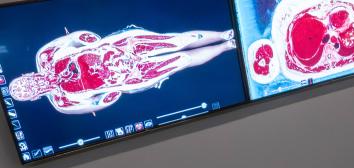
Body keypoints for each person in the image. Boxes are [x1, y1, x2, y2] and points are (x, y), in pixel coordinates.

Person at [10, 27, 237, 114]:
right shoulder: (63, 102)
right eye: (27, 91)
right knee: (183, 59)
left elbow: (72, 38)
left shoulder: (45, 56)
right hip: (131, 75)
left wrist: (87, 41)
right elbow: (97, 103)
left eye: (24, 83)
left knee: (177, 41)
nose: (30, 85)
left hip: (122, 46)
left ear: (25, 75)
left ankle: (223, 34)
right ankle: (227, 46)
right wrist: (110, 94)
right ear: (33, 98)